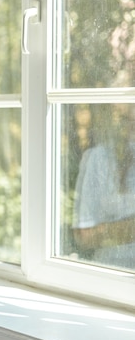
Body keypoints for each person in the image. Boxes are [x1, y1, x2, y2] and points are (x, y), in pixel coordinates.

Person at [72, 105, 135, 270]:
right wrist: (123, 229)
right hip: (109, 273)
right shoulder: (98, 159)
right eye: (127, 120)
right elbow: (84, 236)